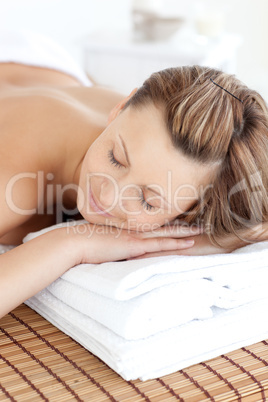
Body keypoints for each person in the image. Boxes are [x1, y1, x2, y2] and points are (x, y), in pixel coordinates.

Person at [0, 33, 267, 319]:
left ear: (190, 212)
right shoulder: (14, 184)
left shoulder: (152, 132)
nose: (107, 195)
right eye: (116, 158)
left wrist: (216, 239)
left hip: (49, 77)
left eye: (147, 201)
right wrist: (69, 244)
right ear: (120, 109)